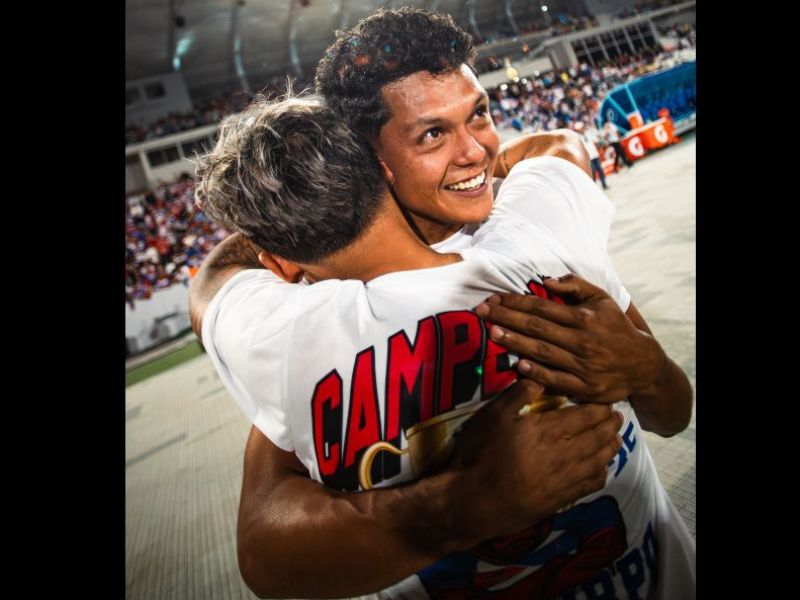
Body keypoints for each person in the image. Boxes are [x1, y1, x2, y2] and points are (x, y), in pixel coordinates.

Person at [192, 7, 694, 598]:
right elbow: (266, 548)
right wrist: (462, 502)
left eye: (478, 113)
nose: (476, 151)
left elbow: (673, 412)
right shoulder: (538, 226)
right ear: (368, 163)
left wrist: (645, 367)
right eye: (432, 133)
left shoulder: (290, 318)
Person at [576, 120, 609, 190]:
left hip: (595, 154)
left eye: (582, 128)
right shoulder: (578, 138)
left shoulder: (588, 133)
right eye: (579, 129)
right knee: (593, 172)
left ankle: (604, 184)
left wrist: (600, 142)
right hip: (588, 158)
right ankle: (594, 188)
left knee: (600, 169)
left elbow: (595, 141)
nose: (581, 129)